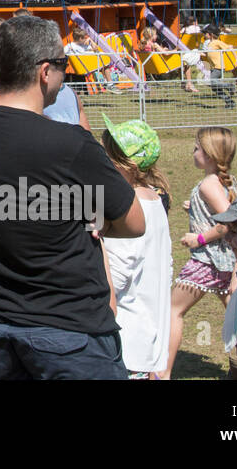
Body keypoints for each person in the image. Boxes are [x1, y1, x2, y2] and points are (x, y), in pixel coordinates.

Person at [0, 15, 146, 380]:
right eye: (63, 65)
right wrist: (83, 215)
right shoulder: (71, 144)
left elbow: (12, 202)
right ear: (44, 71)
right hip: (70, 335)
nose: (65, 74)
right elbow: (133, 222)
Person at [162, 126, 237, 378]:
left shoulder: (208, 184)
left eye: (196, 148)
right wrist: (194, 209)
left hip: (209, 262)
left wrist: (199, 238)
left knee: (173, 311)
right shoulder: (225, 181)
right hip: (226, 262)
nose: (192, 152)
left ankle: (163, 372)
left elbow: (228, 223)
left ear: (208, 154)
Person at [99, 118, 173, 379]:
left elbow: (116, 277)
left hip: (126, 341)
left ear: (127, 166)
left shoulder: (130, 208)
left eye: (106, 156)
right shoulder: (154, 199)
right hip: (145, 338)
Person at [200, 24, 235, 107]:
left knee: (212, 82)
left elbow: (229, 47)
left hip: (218, 67)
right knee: (215, 88)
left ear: (211, 34)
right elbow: (206, 54)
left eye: (205, 34)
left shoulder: (217, 42)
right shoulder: (209, 44)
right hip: (213, 68)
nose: (204, 35)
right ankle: (229, 102)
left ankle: (229, 86)